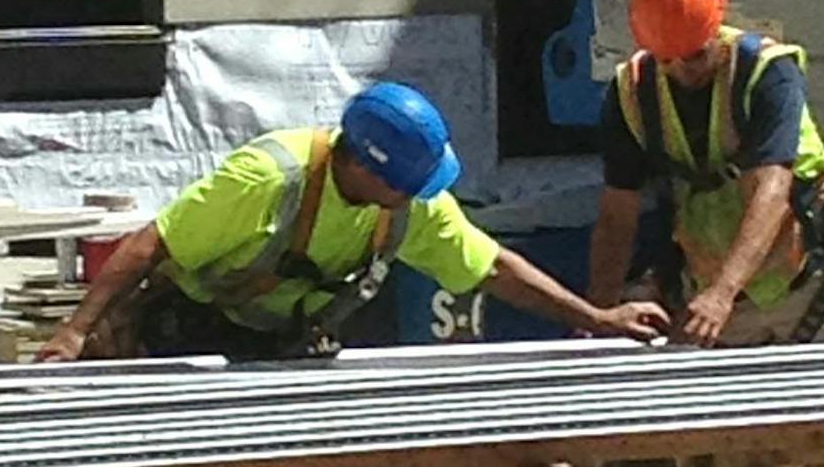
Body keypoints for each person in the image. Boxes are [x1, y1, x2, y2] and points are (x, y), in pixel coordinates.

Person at [38, 80, 667, 366]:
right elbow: (152, 244)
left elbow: (493, 267)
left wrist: (596, 319)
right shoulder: (267, 179)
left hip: (283, 345)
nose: (421, 196)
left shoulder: (409, 202)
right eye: (410, 184)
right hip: (192, 336)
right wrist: (75, 331)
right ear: (366, 168)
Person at [589, 0, 824, 352]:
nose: (684, 71)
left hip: (800, 290)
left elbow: (771, 190)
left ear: (716, 23)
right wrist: (598, 313)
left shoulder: (767, 73)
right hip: (706, 291)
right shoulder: (632, 92)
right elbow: (618, 213)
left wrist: (723, 292)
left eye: (696, 54)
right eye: (669, 59)